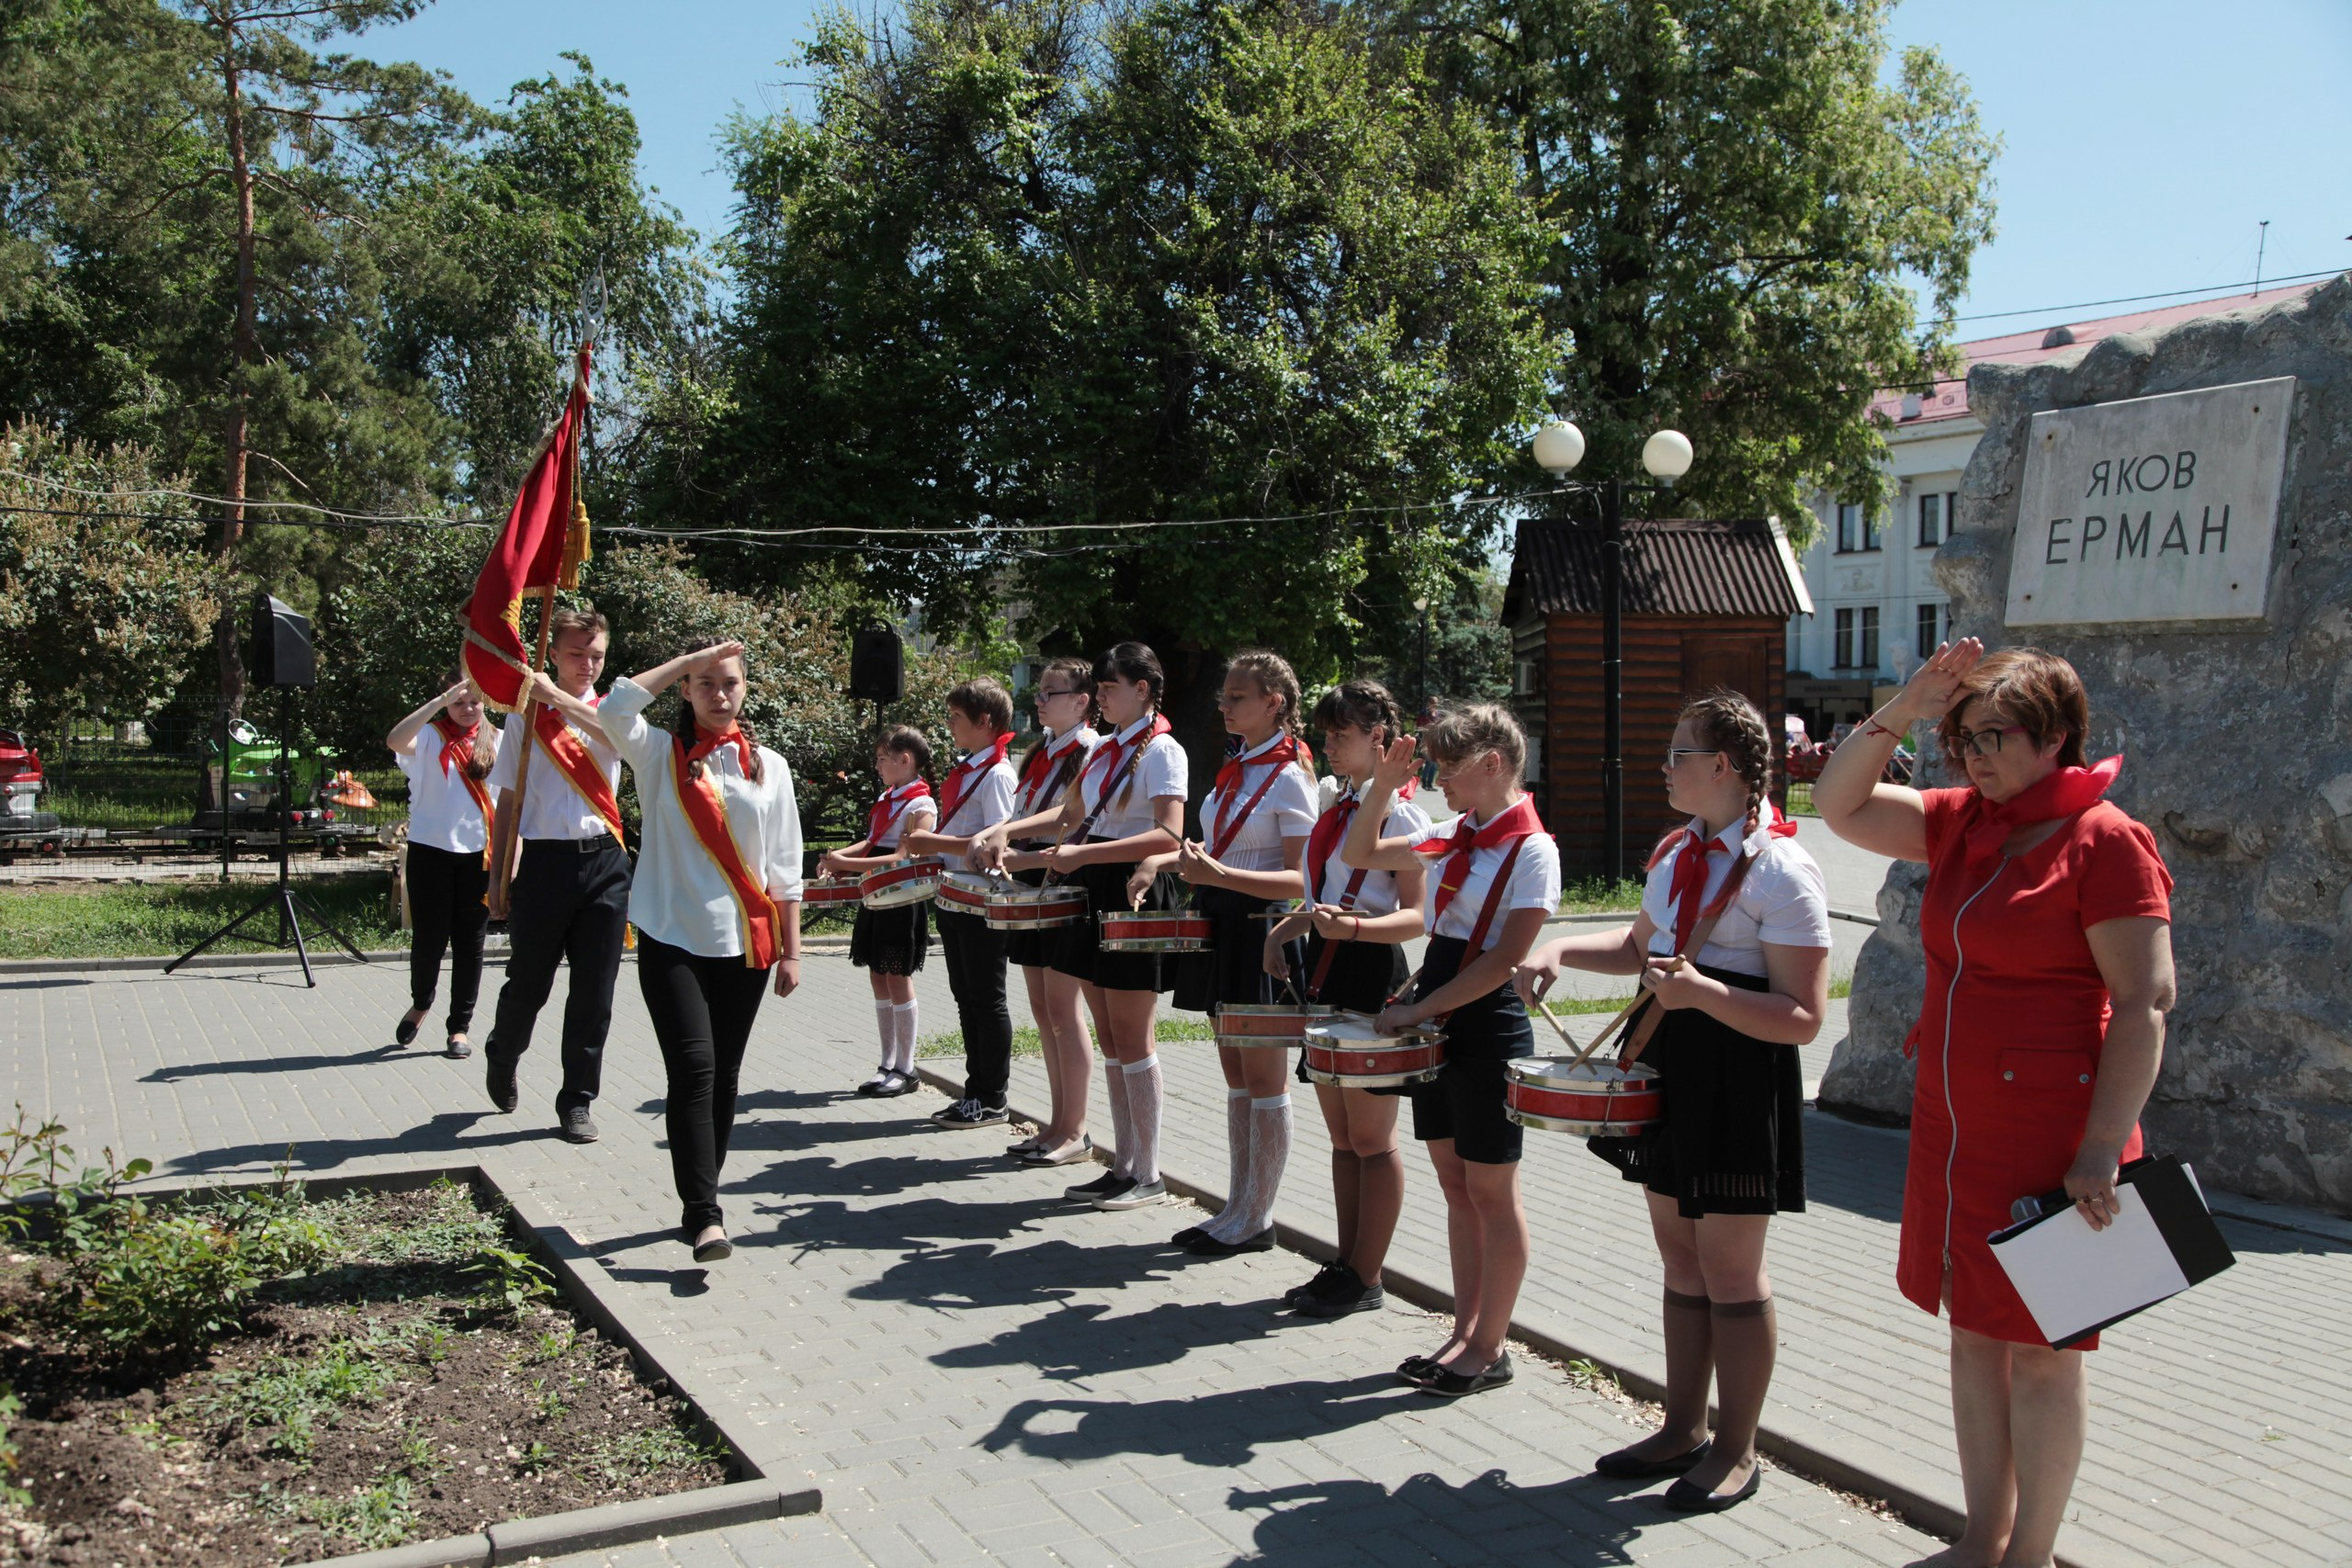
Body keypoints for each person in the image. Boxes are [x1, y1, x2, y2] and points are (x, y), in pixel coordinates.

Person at [1814, 640, 2175, 1568]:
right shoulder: (1963, 823)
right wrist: (1904, 702)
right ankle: (1983, 1538)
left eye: (1994, 736)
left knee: (2048, 1352)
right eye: (1962, 738)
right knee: (1974, 1333)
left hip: (2061, 1138)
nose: (1973, 755)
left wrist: (2101, 1149)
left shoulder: (2105, 839)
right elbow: (1837, 804)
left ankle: (2032, 1556)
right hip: (1957, 1132)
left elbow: (2144, 1004)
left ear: (2057, 737)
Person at [1516, 689, 1831, 1513]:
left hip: (1738, 1071)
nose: (1664, 765)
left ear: (1722, 766)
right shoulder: (1676, 850)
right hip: (1669, 1063)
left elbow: (1804, 1018)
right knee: (1681, 1257)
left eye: (1678, 753)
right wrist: (1559, 948)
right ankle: (1682, 1425)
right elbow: (1637, 945)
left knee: (1733, 1271)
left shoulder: (1783, 866)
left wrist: (1705, 994)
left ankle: (1737, 1447)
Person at [528, 642, 802, 1263]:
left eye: (729, 682)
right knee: (695, 1070)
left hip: (746, 941)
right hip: (670, 938)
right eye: (703, 683)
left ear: (745, 688)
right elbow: (619, 704)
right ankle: (705, 1213)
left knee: (725, 1077)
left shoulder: (771, 767)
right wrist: (688, 659)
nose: (718, 693)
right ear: (685, 689)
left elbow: (786, 865)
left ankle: (700, 1185)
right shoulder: (657, 753)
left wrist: (794, 949)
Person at [1345, 703, 1558, 1397]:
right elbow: (1358, 853)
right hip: (1436, 1007)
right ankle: (1466, 1330)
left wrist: (1419, 1009)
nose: (1438, 782)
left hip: (1484, 1019)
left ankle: (1491, 1343)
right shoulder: (1453, 833)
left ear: (1492, 763)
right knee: (1455, 1184)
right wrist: (1382, 785)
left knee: (1493, 1189)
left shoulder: (1533, 849)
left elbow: (1506, 958)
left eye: (1448, 768)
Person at [975, 641, 1186, 1213]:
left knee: (1133, 1035)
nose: (1103, 696)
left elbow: (1170, 835)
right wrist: (1010, 833)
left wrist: (1083, 857)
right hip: (1095, 881)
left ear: (1142, 690)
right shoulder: (1110, 749)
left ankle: (1148, 1170)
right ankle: (1124, 1163)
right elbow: (1070, 815)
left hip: (1129, 889)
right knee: (1110, 1033)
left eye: (1112, 687)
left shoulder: (1162, 749)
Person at [1266, 679, 1429, 1317]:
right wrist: (1290, 926)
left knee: (1371, 1136)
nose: (1329, 744)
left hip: (1371, 968)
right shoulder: (1339, 803)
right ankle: (1345, 1261)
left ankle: (1367, 1272)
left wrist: (1347, 926)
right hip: (1330, 962)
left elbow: (1416, 916)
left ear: (1380, 740)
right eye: (1327, 732)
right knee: (1340, 1136)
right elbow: (1329, 896)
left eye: (1343, 734)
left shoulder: (1404, 813)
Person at [1148, 649, 1317, 1258]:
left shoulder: (1290, 771)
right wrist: (1193, 860)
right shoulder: (1239, 763)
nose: (1224, 705)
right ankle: (1238, 1205)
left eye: (1237, 697)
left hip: (1264, 928)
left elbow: (1303, 879)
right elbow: (1226, 847)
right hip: (1223, 917)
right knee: (1236, 1074)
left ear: (1275, 702)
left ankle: (1258, 1216)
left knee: (1265, 1078)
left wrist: (1217, 868)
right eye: (1223, 696)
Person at [481, 606, 629, 1145]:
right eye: (575, 654)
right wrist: (499, 878)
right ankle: (504, 1051)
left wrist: (557, 698)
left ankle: (577, 1101)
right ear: (554, 655)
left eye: (596, 655)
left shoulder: (613, 711)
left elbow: (619, 737)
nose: (587, 664)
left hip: (605, 866)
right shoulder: (525, 718)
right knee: (530, 982)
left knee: (595, 993)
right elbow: (510, 803)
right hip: (544, 863)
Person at [995, 659, 1102, 1166]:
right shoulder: (1043, 751)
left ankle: (1074, 1129)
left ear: (1082, 701)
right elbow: (1028, 810)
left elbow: (1072, 816)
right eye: (1038, 693)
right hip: (1032, 872)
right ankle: (1056, 1122)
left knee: (1063, 1008)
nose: (1038, 701)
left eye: (1049, 693)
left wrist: (1007, 837)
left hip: (1062, 874)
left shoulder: (1090, 750)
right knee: (1041, 1008)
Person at [902, 680, 1021, 1129]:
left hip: (982, 900)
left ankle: (992, 1096)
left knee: (986, 1000)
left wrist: (930, 840)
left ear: (986, 722)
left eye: (956, 717)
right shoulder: (972, 769)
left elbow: (993, 844)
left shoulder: (998, 774)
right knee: (966, 999)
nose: (949, 724)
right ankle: (975, 1091)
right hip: (955, 897)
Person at [385, 671, 501, 1058]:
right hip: (429, 853)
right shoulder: (430, 735)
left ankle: (460, 1029)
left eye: (474, 702)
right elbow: (395, 740)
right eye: (458, 702)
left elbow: (511, 804)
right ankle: (421, 1003)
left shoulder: (497, 740)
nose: (467, 709)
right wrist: (436, 704)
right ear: (445, 702)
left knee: (471, 945)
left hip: (478, 857)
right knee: (429, 940)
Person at [819, 727, 938, 1098]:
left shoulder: (922, 805)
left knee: (898, 977)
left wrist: (849, 863)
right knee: (877, 975)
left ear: (905, 760)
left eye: (882, 759)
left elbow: (905, 857)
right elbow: (871, 844)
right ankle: (886, 1062)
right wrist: (837, 860)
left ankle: (906, 1067)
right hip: (877, 896)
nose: (877, 766)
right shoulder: (889, 797)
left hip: (901, 899)